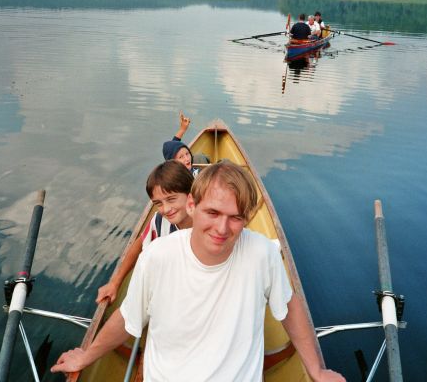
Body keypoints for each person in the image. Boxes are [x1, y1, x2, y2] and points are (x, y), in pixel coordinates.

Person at [54, 161, 345, 382]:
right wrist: (86, 356)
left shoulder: (262, 253)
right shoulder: (157, 256)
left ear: (246, 219)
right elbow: (129, 317)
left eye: (235, 218)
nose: (222, 229)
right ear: (192, 205)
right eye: (213, 213)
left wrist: (317, 371)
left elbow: (289, 307)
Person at [95, 160, 193, 304]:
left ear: (191, 194)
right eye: (158, 203)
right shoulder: (159, 220)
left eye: (171, 199)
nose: (166, 209)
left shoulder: (210, 226)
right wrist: (115, 283)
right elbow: (140, 244)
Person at [162, 111, 201, 177]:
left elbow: (173, 145)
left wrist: (182, 129)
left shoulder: (172, 166)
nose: (187, 159)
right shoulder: (195, 175)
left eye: (187, 153)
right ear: (173, 162)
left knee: (199, 157)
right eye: (181, 157)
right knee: (201, 157)